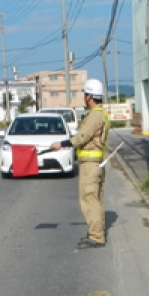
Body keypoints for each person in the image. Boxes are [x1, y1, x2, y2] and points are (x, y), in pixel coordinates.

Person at [50, 79, 110, 249]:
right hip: (94, 164)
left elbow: (82, 137)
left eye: (85, 94)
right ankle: (96, 232)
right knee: (94, 199)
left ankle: (96, 237)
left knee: (90, 199)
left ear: (90, 96)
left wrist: (61, 144)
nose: (84, 97)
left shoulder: (96, 115)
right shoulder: (100, 114)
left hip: (90, 165)